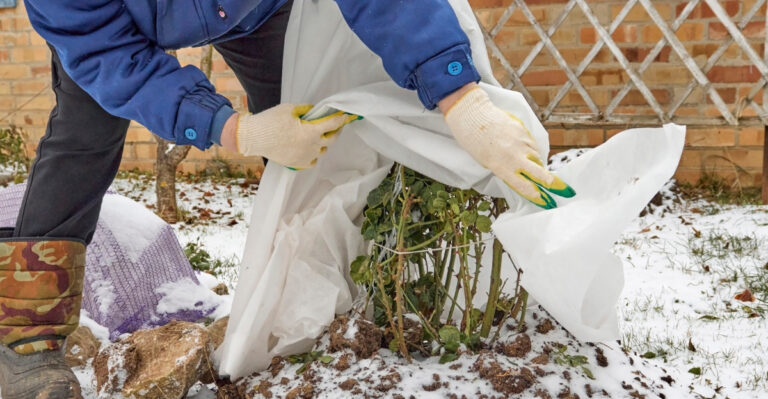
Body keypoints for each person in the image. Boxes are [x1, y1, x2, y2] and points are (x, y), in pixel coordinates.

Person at [0, 0, 575, 397]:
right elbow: (108, 57)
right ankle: (25, 341)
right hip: (117, 33)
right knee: (82, 138)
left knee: (309, 125)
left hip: (255, 9)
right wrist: (236, 131)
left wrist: (458, 95)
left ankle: (315, 295)